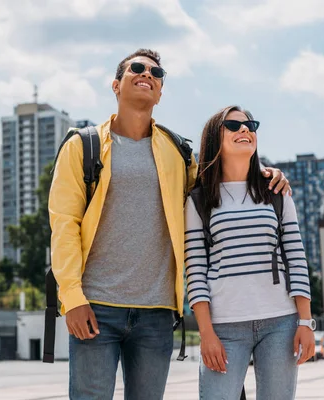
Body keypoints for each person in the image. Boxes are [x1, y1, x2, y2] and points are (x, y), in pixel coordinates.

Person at [48, 50, 290, 400]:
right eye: (137, 68)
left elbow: (216, 182)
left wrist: (264, 170)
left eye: (156, 72)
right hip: (95, 305)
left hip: (158, 313)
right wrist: (72, 298)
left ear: (159, 91)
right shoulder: (82, 146)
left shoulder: (177, 152)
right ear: (116, 85)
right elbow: (64, 225)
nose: (147, 73)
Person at [184, 105, 315, 399]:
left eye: (250, 125)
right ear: (214, 138)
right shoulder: (199, 199)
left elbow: (296, 258)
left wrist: (305, 322)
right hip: (224, 328)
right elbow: (194, 270)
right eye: (233, 125)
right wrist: (206, 334)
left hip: (281, 323)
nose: (245, 130)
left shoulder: (276, 191)